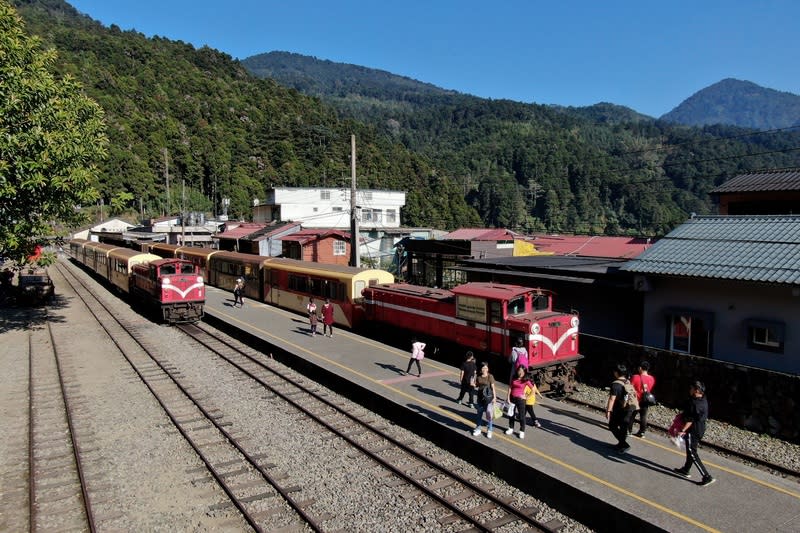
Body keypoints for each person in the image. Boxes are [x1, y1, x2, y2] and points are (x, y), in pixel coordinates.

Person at [673, 381, 715, 486]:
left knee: (692, 452)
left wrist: (682, 431)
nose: (689, 389)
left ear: (696, 390)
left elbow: (690, 420)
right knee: (690, 449)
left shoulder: (694, 404)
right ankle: (686, 469)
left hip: (694, 429)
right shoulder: (703, 399)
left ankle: (706, 476)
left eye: (691, 388)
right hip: (701, 427)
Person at [606, 364, 634, 453]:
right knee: (623, 427)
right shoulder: (628, 382)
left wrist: (608, 410)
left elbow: (612, 399)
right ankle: (621, 444)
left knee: (612, 426)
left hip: (619, 409)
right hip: (629, 408)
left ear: (617, 373)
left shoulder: (615, 385)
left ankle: (624, 445)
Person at [504, 364, 537, 439]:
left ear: (524, 372)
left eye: (522, 371)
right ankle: (510, 428)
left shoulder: (526, 380)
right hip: (512, 398)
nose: (520, 373)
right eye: (519, 371)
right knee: (511, 414)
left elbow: (533, 389)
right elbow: (510, 387)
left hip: (520, 400)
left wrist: (526, 397)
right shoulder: (514, 377)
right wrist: (508, 397)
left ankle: (522, 431)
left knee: (522, 416)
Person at [629, 361, 656, 438]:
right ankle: (642, 432)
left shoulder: (635, 377)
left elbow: (631, 387)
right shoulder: (652, 378)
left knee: (632, 415)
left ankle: (629, 430)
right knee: (643, 416)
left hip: (636, 399)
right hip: (645, 400)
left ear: (640, 368)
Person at [472, 362, 497, 439]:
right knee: (479, 414)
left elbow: (493, 387)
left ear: (488, 369)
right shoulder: (479, 377)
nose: (484, 369)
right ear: (481, 369)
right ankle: (478, 428)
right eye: (483, 368)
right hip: (480, 398)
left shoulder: (490, 376)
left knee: (489, 415)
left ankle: (489, 430)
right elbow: (476, 385)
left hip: (489, 399)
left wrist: (494, 397)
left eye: (486, 368)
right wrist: (473, 385)